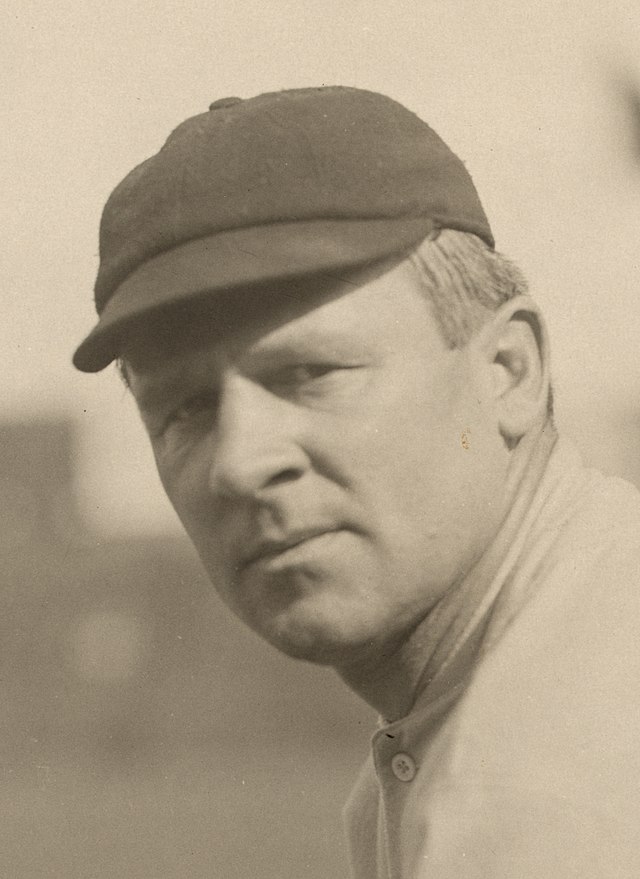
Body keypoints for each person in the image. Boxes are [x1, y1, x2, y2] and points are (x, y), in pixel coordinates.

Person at [73, 87, 640, 877]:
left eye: (309, 373)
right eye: (186, 410)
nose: (240, 462)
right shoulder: (516, 680)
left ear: (509, 371)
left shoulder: (550, 781)